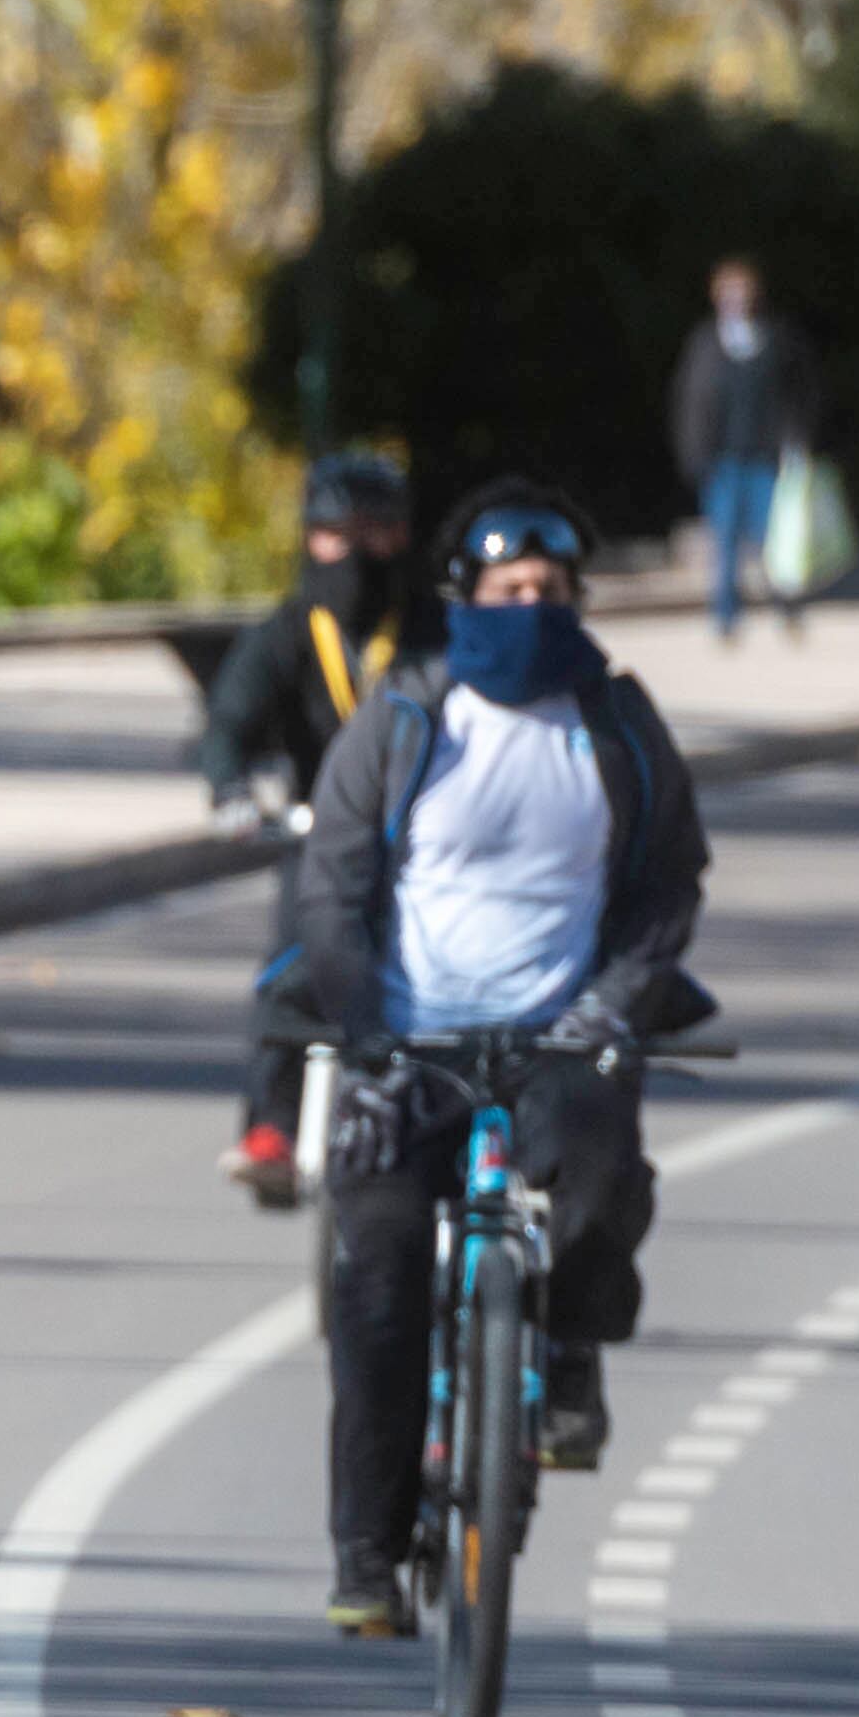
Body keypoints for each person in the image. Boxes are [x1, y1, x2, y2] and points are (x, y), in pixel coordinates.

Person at [287, 483, 710, 1636]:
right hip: (410, 1044)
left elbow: (668, 881)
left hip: (554, 1035)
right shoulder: (406, 718)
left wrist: (613, 1006)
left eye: (548, 590)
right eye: (506, 590)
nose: (528, 607)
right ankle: (367, 1555)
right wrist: (365, 1036)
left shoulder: (615, 722)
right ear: (461, 598)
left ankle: (566, 1360)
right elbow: (330, 890)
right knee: (373, 1275)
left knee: (597, 1175)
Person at [200, 453, 433, 1209]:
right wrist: (231, 788)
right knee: (290, 966)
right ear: (310, 540)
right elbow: (230, 717)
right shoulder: (290, 630)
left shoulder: (435, 630)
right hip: (321, 836)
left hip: (428, 839)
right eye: (338, 536)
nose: (356, 555)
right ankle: (271, 1126)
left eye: (377, 535)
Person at [665, 257, 819, 643]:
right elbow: (690, 402)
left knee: (776, 540)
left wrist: (797, 441)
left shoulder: (776, 338)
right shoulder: (705, 342)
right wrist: (694, 454)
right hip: (722, 460)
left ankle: (786, 607)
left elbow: (799, 395)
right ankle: (726, 616)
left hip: (768, 458)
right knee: (726, 540)